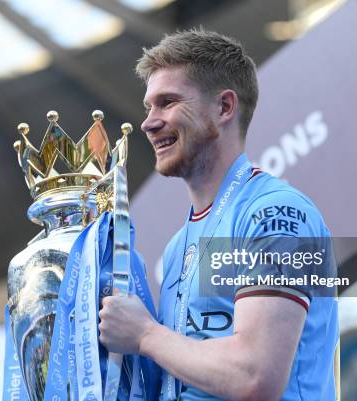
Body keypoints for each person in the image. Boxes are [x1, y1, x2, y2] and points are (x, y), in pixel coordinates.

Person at [99, 29, 339, 401]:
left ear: (225, 107)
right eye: (149, 106)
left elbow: (255, 376)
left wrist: (145, 334)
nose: (149, 121)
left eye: (167, 102)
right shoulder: (179, 245)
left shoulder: (276, 214)